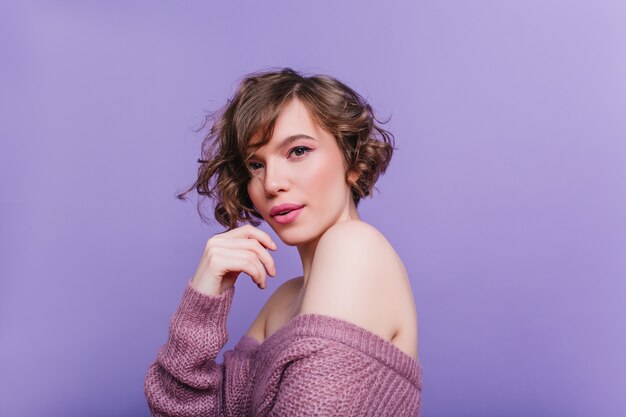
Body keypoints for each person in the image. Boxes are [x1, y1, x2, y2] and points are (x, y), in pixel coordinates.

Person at [144, 67, 423, 416]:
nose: (272, 183)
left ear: (352, 162)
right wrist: (203, 301)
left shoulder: (355, 248)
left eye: (298, 151)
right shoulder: (284, 300)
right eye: (256, 165)